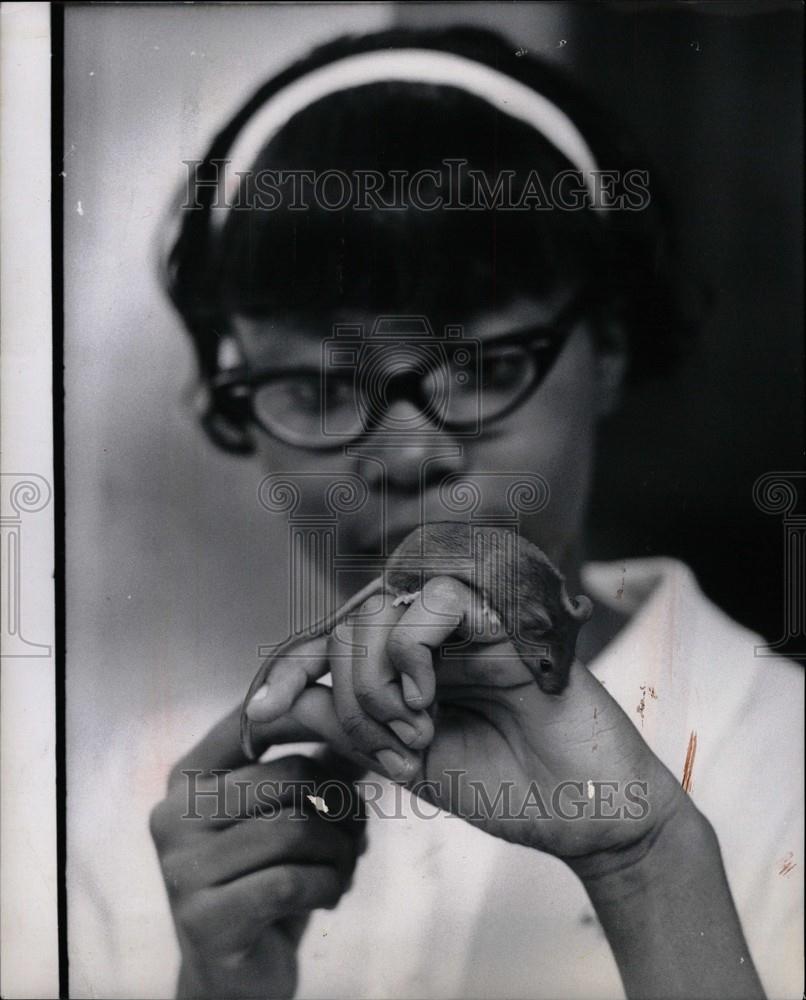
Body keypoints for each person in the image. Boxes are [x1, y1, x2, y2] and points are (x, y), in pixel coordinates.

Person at [144, 25, 803, 1000]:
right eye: (320, 388)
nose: (409, 455)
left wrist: (646, 864)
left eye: (486, 369)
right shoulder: (135, 809)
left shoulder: (784, 759)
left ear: (609, 349)